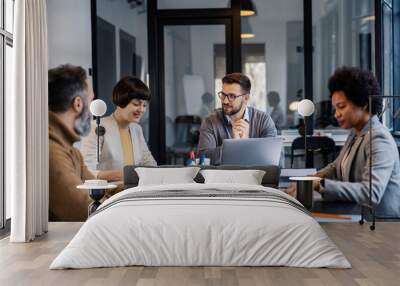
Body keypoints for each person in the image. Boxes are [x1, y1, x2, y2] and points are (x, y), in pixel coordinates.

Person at [286, 66, 400, 217]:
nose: (336, 114)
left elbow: (371, 193)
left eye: (341, 107)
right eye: (335, 108)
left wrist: (319, 185)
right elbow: (336, 166)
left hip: (379, 226)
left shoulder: (379, 139)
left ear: (363, 103)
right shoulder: (356, 132)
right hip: (355, 214)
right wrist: (312, 178)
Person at [81, 76, 156, 182]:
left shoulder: (137, 129)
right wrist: (110, 175)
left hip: (133, 192)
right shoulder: (97, 128)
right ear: (121, 101)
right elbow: (85, 171)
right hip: (107, 195)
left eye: (144, 105)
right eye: (136, 104)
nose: (142, 109)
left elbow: (149, 163)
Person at [198, 73, 277, 165]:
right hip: (221, 177)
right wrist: (233, 145)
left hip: (255, 177)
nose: (225, 101)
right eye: (223, 95)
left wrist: (246, 144)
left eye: (232, 96)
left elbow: (273, 159)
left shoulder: (264, 120)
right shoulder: (210, 121)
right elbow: (202, 157)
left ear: (246, 98)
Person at [48, 64, 95, 221]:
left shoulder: (70, 150)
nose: (91, 113)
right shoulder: (50, 150)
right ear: (78, 104)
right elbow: (83, 210)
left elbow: (98, 188)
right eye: (91, 101)